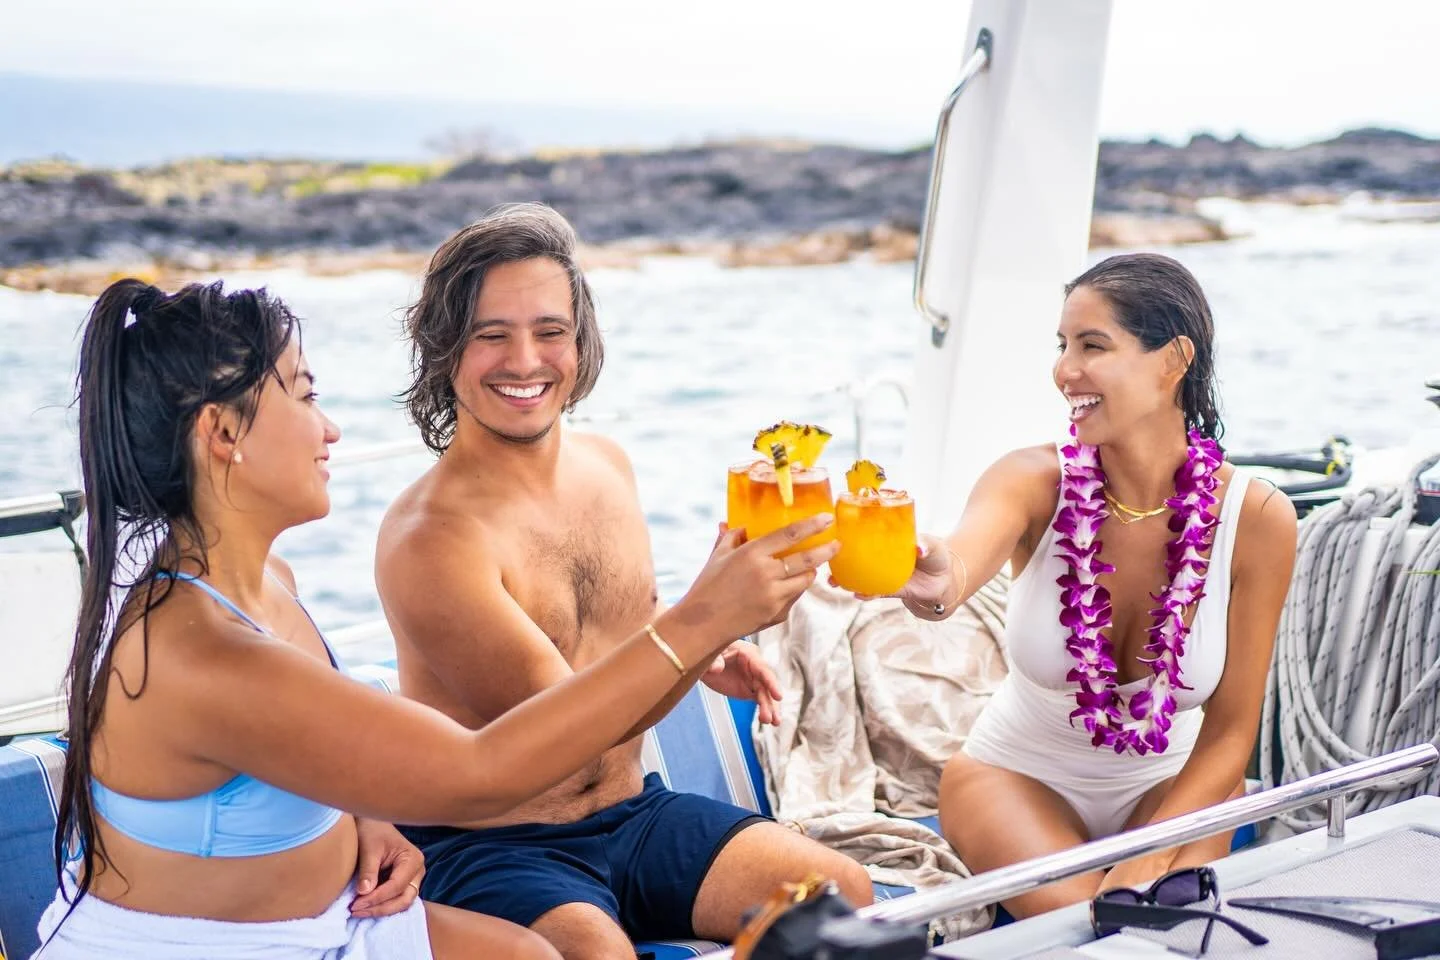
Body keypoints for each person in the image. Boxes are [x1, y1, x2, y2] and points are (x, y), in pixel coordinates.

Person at [36, 277, 828, 959]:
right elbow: (480, 774)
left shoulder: (265, 582)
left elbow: (292, 747)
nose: (330, 429)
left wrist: (361, 818)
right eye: (306, 396)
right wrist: (702, 619)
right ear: (222, 433)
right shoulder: (197, 650)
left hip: (329, 920)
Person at [376, 202, 873, 958]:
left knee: (839, 896)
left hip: (633, 812)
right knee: (595, 952)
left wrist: (705, 650)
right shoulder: (431, 538)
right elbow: (571, 735)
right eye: (490, 335)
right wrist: (709, 619)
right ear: (444, 350)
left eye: (550, 331)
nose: (525, 360)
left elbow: (630, 624)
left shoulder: (609, 467)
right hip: (492, 845)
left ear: (582, 342)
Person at [887, 253, 1297, 918]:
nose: (1064, 370)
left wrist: (1145, 859)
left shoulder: (1256, 518)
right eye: (1062, 345)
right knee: (1094, 935)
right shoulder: (1030, 481)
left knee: (1153, 926)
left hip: (1175, 787)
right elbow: (956, 567)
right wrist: (934, 578)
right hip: (1016, 777)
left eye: (1092, 345)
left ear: (1174, 360)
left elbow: (1230, 732)